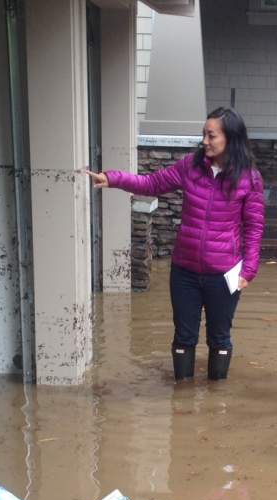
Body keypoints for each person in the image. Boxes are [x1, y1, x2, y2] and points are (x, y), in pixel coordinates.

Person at [87, 107, 265, 381]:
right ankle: (181, 401)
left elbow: (254, 227)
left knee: (220, 337)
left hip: (225, 274)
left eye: (211, 135)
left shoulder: (249, 179)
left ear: (230, 138)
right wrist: (112, 179)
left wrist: (248, 270)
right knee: (184, 336)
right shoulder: (190, 167)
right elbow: (151, 183)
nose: (204, 141)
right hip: (185, 272)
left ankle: (216, 403)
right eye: (203, 134)